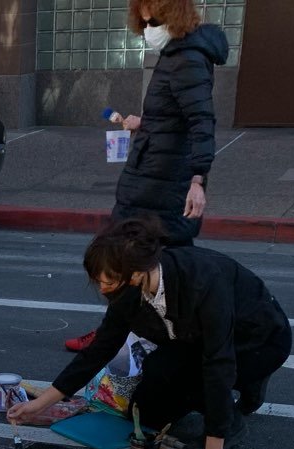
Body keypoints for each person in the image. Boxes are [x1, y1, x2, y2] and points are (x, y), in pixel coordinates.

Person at [10, 217, 292, 449]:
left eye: (105, 281)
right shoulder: (129, 289)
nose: (100, 288)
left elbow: (219, 363)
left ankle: (233, 414)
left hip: (256, 342)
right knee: (146, 413)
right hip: (191, 339)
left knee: (206, 379)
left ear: (134, 273)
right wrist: (41, 404)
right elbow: (99, 350)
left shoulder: (202, 281)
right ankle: (227, 393)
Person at [66, 0, 226, 353]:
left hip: (164, 183)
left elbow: (202, 121)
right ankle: (129, 332)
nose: (145, 21)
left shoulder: (187, 58)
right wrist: (147, 123)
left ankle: (136, 335)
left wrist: (198, 180)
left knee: (135, 259)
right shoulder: (177, 54)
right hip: (150, 177)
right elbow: (179, 115)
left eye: (151, 13)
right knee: (132, 259)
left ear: (172, 13)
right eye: (141, 12)